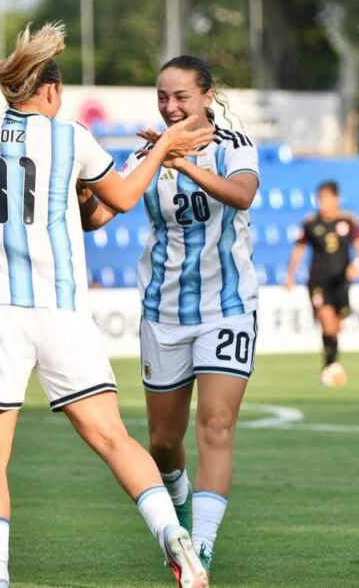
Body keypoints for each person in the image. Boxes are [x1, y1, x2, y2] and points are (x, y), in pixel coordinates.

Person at [0, 23, 213, 588]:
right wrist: (164, 148)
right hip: (62, 308)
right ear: (49, 91)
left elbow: (64, 203)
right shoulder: (71, 137)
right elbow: (116, 200)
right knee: (114, 438)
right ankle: (176, 539)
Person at [80, 54, 260, 580]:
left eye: (181, 96)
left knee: (218, 426)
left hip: (228, 307)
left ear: (207, 96)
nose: (170, 105)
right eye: (162, 96)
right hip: (162, 313)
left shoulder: (235, 147)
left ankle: (199, 548)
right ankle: (179, 512)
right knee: (162, 442)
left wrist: (180, 162)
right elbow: (98, 218)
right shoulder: (146, 153)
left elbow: (243, 194)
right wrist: (81, 182)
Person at [286, 180, 359, 385]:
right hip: (318, 281)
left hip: (341, 281)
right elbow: (299, 248)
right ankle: (332, 366)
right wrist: (290, 274)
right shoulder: (311, 222)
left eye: (326, 198)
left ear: (336, 199)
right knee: (326, 320)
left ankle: (330, 363)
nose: (322, 203)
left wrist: (357, 263)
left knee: (335, 327)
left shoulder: (349, 221)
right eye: (320, 198)